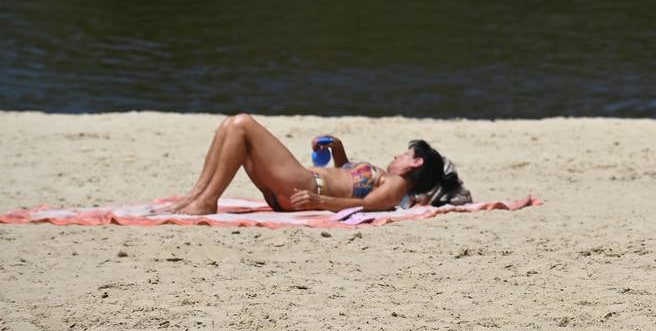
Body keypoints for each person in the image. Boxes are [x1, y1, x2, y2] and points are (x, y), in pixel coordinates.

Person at [166, 113, 466, 215]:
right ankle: (198, 197)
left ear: (415, 162)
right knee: (232, 128)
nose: (397, 156)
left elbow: (364, 206)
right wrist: (339, 151)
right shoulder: (384, 176)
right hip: (297, 189)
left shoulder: (397, 185)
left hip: (305, 188)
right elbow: (350, 180)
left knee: (242, 124)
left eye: (404, 154)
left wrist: (317, 201)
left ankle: (207, 200)